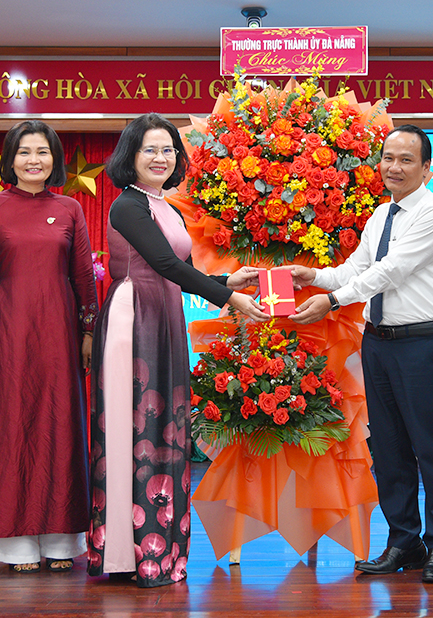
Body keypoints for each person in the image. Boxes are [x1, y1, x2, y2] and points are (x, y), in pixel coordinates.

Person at [86, 113, 267, 587]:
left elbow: (182, 268)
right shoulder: (126, 205)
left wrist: (230, 280)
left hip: (165, 314)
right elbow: (163, 262)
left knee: (164, 427)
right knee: (135, 426)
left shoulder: (167, 206)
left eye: (168, 149)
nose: (161, 158)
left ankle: (160, 551)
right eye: (150, 149)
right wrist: (228, 299)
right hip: (134, 316)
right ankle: (127, 553)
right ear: (131, 155)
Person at [287, 124, 433, 584]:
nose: (394, 167)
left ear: (427, 167)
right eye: (388, 158)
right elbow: (354, 269)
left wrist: (336, 300)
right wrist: (315, 277)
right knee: (387, 450)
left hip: (421, 344)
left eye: (406, 160)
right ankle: (406, 540)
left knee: (430, 448)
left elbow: (391, 270)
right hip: (379, 344)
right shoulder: (379, 216)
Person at [0, 120, 99, 574]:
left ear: (54, 159)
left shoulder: (70, 209)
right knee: (11, 427)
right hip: (9, 331)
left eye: (42, 152)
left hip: (60, 331)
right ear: (10, 159)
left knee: (60, 424)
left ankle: (62, 540)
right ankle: (17, 543)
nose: (34, 160)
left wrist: (88, 331)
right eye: (24, 152)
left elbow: (83, 276)